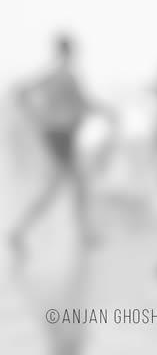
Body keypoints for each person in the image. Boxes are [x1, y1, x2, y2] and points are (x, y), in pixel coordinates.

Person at [7, 34, 113, 258]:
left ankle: (82, 233)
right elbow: (83, 102)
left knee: (74, 184)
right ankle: (20, 231)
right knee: (59, 187)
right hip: (62, 135)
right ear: (70, 50)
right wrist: (106, 112)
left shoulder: (51, 73)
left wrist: (39, 119)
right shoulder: (66, 74)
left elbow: (21, 91)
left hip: (58, 134)